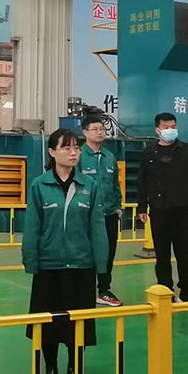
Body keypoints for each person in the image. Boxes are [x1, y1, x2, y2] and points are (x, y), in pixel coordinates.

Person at [22, 130, 108, 374]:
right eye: (66, 148)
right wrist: (31, 261)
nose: (73, 153)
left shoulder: (89, 186)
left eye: (76, 148)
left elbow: (97, 227)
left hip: (81, 267)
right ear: (51, 152)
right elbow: (32, 226)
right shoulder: (39, 185)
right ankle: (50, 370)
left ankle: (74, 371)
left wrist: (101, 264)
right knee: (47, 325)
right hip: (49, 267)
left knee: (77, 326)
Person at [137, 113, 188, 303]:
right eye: (166, 127)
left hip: (183, 211)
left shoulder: (187, 151)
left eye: (173, 127)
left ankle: (186, 291)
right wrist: (142, 207)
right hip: (159, 211)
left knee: (186, 255)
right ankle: (166, 291)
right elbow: (142, 182)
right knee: (162, 255)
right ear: (157, 130)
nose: (170, 130)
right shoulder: (148, 153)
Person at [77, 114, 122, 307]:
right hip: (86, 215)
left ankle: (104, 289)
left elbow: (115, 185)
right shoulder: (78, 156)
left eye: (102, 129)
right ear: (85, 132)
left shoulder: (109, 157)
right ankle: (84, 289)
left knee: (107, 253)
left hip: (109, 214)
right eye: (95, 129)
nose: (100, 132)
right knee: (86, 253)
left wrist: (118, 206)